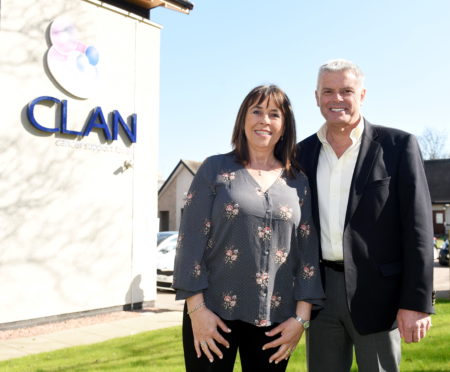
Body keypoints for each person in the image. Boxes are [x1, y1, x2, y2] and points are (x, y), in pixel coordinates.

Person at [173, 84, 324, 372]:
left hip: (275, 320)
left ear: (284, 126)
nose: (264, 120)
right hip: (211, 313)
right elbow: (190, 241)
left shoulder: (298, 181)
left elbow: (307, 254)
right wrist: (196, 310)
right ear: (243, 119)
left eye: (274, 114)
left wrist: (300, 321)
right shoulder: (214, 169)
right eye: (256, 111)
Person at [297, 59, 435, 372]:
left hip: (379, 296)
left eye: (346, 90)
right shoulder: (300, 153)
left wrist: (416, 301)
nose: (337, 99)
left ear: (362, 94)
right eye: (328, 91)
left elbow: (419, 229)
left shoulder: (398, 146)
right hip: (319, 297)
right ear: (316, 97)